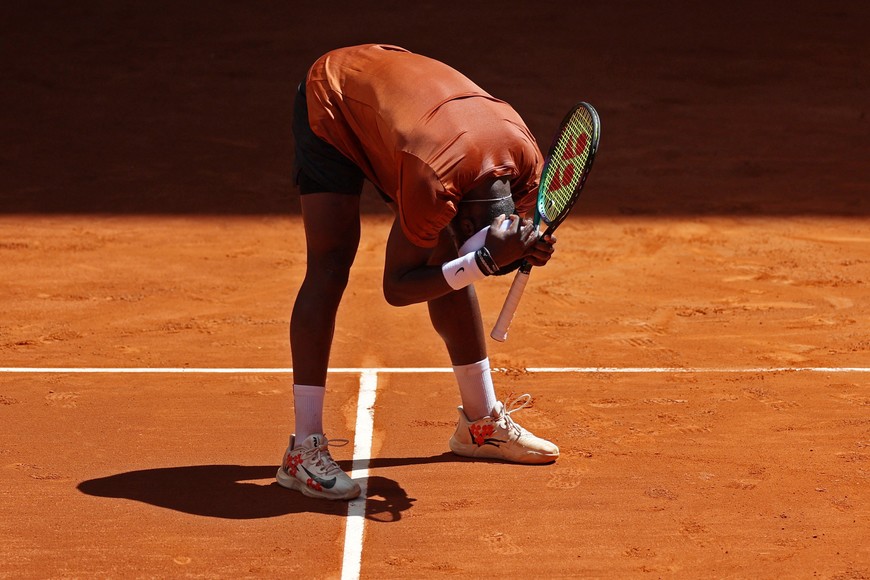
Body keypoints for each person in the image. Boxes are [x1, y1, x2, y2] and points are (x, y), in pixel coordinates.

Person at [277, 44, 559, 501]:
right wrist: (485, 260)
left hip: (413, 126)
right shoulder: (434, 183)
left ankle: (480, 424)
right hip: (336, 97)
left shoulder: (526, 165)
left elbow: (490, 248)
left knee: (447, 253)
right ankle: (301, 453)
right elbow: (397, 287)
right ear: (457, 212)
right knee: (330, 263)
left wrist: (526, 251)